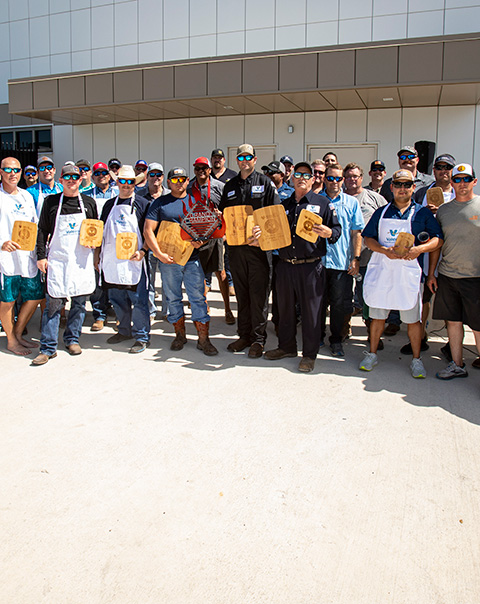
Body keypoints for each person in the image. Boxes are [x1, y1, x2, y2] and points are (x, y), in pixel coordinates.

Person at [360, 169, 443, 378]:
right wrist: (382, 250)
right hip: (383, 270)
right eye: (399, 185)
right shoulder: (382, 211)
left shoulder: (422, 213)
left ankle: (416, 360)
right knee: (378, 316)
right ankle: (372, 354)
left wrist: (419, 250)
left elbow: (437, 239)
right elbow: (367, 237)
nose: (403, 189)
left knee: (412, 319)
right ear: (392, 187)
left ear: (413, 188)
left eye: (407, 185)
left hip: (407, 274)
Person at [264, 162, 341, 372]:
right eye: (298, 174)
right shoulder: (284, 205)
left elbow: (337, 230)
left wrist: (328, 232)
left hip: (310, 268)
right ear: (292, 177)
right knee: (285, 311)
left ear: (314, 178)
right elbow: (273, 233)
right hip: (286, 266)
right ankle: (286, 347)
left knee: (312, 313)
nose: (302, 178)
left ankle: (309, 355)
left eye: (307, 175)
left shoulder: (323, 203)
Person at [143, 166, 218, 356]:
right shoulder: (159, 203)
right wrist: (159, 254)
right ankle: (179, 335)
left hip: (192, 259)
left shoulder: (196, 201)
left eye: (183, 179)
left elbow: (208, 227)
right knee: (173, 298)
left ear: (187, 181)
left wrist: (202, 240)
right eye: (175, 179)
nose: (179, 182)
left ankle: (203, 339)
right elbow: (148, 230)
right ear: (169, 182)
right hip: (168, 261)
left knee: (198, 298)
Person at [32, 165, 98, 365]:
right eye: (67, 177)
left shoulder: (88, 203)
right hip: (59, 261)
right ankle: (48, 347)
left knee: (79, 303)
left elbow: (96, 231)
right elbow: (42, 230)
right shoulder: (51, 202)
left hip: (81, 261)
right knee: (53, 304)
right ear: (61, 179)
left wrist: (95, 249)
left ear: (81, 179)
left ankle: (72, 339)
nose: (72, 180)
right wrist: (41, 257)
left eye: (75, 177)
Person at [219, 144, 279, 357]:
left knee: (259, 296)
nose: (245, 160)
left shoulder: (265, 183)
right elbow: (224, 214)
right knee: (242, 295)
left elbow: (275, 216)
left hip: (258, 250)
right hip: (236, 250)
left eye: (249, 157)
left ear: (255, 159)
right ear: (237, 161)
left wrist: (263, 236)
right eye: (241, 157)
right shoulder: (230, 185)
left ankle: (258, 340)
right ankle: (244, 335)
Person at [398, 154, 457, 355]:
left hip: (451, 255)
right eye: (439, 167)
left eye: (447, 167)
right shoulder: (423, 192)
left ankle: (452, 343)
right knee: (422, 299)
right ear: (434, 171)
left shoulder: (459, 193)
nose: (443, 171)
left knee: (451, 302)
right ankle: (420, 337)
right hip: (425, 254)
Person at [427, 163, 480, 379]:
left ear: (474, 181)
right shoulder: (444, 211)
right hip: (448, 276)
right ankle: (457, 365)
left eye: (466, 179)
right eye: (457, 179)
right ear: (452, 182)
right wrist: (432, 273)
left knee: (478, 327)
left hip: (475, 277)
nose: (462, 183)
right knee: (453, 322)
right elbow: (437, 245)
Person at [97, 165, 151, 354]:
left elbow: (150, 233)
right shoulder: (109, 205)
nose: (126, 185)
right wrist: (98, 257)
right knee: (117, 298)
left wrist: (143, 251)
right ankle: (124, 330)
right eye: (123, 181)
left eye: (130, 182)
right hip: (113, 260)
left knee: (139, 300)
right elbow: (100, 232)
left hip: (134, 260)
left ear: (135, 184)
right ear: (117, 182)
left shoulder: (143, 204)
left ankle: (142, 336)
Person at [320, 163, 365, 357]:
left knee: (339, 305)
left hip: (341, 263)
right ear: (324, 179)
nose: (335, 182)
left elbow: (356, 233)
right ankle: (317, 336)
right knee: (318, 303)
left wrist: (355, 259)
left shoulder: (352, 203)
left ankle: (336, 339)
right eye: (330, 178)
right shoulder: (315, 200)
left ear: (343, 180)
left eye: (338, 178)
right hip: (318, 263)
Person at [0, 157, 44, 356]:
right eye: (8, 170)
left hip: (27, 257)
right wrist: (2, 243)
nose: (13, 173)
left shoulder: (27, 196)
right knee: (8, 301)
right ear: (1, 172)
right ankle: (11, 341)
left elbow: (34, 224)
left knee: (35, 296)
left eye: (16, 170)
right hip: (6, 259)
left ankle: (17, 333)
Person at [343, 162, 387, 347]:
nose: (352, 179)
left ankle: (371, 331)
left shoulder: (375, 198)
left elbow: (386, 222)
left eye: (356, 176)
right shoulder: (339, 198)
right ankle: (344, 328)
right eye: (349, 176)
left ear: (362, 178)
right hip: (343, 257)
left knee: (368, 296)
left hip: (368, 257)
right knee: (344, 296)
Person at [187, 157, 234, 325]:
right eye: (198, 168)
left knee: (220, 272)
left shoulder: (220, 187)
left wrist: (225, 230)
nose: (201, 171)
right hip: (196, 236)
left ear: (209, 170)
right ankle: (204, 304)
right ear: (194, 170)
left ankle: (227, 309)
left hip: (215, 235)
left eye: (204, 168)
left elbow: (228, 210)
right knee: (199, 272)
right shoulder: (189, 188)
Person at [261, 160, 294, 331]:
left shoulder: (291, 193)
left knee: (282, 291)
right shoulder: (262, 191)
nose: (268, 176)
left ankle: (281, 321)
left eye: (272, 173)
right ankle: (263, 323)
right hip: (265, 248)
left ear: (282, 175)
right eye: (266, 173)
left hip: (282, 250)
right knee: (265, 288)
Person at [142, 162, 170, 320]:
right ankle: (151, 311)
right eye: (152, 174)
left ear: (163, 177)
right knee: (149, 280)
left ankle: (167, 311)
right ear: (147, 177)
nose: (155, 178)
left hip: (167, 244)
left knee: (167, 280)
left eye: (158, 174)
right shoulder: (139, 195)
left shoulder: (169, 195)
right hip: (148, 244)